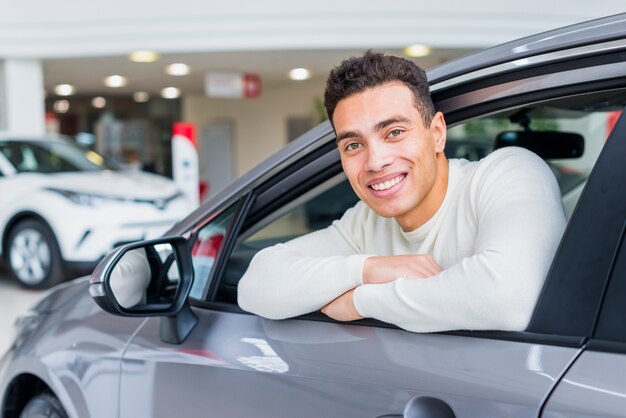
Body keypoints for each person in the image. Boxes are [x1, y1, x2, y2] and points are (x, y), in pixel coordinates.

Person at [237, 51, 566, 333]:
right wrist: (369, 269)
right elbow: (257, 286)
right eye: (354, 145)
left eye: (394, 132)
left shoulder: (505, 174)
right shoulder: (365, 224)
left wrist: (362, 300)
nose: (376, 161)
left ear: (436, 133)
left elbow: (509, 297)